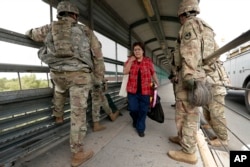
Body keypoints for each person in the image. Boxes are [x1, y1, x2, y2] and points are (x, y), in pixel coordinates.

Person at [25, 1, 105, 166]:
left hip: (58, 75)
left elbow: (31, 33)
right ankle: (77, 154)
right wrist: (98, 78)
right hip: (79, 78)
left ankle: (59, 115)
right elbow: (98, 56)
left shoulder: (50, 28)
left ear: (60, 14)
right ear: (75, 15)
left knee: (59, 89)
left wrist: (29, 31)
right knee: (78, 115)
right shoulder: (85, 31)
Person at [167, 0, 218, 164]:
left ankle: (188, 152)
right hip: (200, 75)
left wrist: (189, 79)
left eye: (180, 17)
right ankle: (183, 139)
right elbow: (214, 54)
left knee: (187, 113)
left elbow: (190, 53)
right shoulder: (206, 27)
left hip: (190, 77)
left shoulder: (190, 25)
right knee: (189, 113)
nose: (180, 20)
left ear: (183, 14)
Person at [123, 42, 159, 137]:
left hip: (145, 91)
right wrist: (131, 61)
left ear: (143, 51)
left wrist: (157, 82)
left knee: (143, 110)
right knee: (133, 109)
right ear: (133, 51)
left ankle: (140, 128)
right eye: (135, 50)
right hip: (132, 91)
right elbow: (125, 72)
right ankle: (135, 120)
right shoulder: (129, 61)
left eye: (139, 49)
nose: (137, 51)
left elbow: (153, 72)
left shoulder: (148, 61)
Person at [202, 59, 231, 146]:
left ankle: (223, 139)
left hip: (216, 90)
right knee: (208, 114)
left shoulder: (213, 60)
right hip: (207, 90)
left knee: (217, 116)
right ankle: (218, 135)